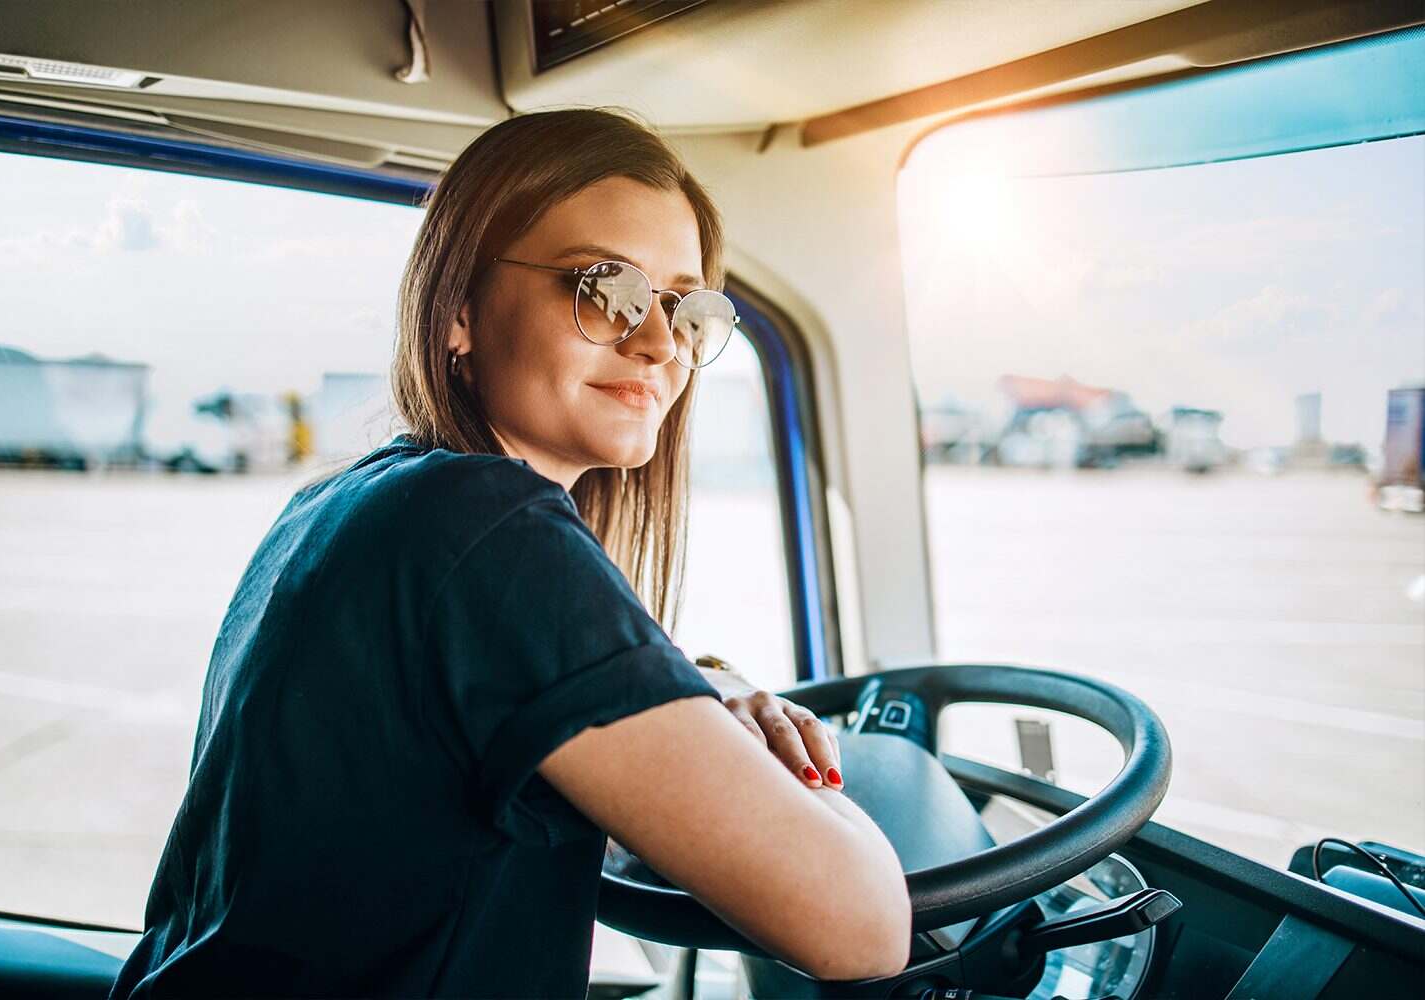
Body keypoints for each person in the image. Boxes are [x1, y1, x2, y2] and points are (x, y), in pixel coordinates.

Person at [108, 108, 910, 1000]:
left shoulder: (358, 503)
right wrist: (816, 784)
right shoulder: (487, 531)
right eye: (604, 288)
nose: (657, 343)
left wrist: (705, 686)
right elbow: (864, 929)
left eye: (686, 309)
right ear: (459, 310)